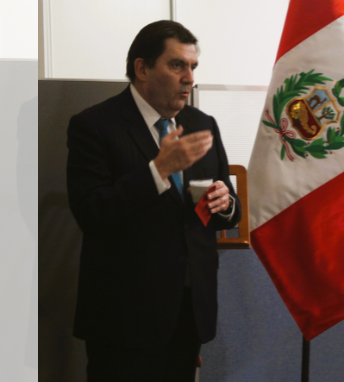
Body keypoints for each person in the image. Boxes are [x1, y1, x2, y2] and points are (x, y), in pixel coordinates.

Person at [66, 20, 241, 381]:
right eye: (177, 65)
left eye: (193, 67)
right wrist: (157, 171)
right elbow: (91, 212)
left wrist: (227, 204)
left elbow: (223, 211)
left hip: (189, 311)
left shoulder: (201, 123)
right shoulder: (95, 125)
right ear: (142, 68)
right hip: (123, 320)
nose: (189, 78)